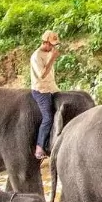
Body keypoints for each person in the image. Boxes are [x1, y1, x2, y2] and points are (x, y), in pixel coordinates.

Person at [29, 30, 61, 161]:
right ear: (45, 43)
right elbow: (42, 74)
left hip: (51, 89)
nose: (53, 47)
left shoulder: (48, 53)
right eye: (51, 45)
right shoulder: (36, 56)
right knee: (47, 118)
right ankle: (39, 147)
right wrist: (52, 58)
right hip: (41, 91)